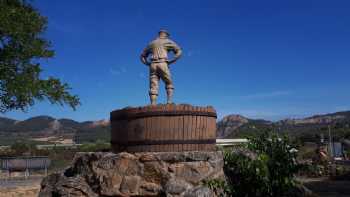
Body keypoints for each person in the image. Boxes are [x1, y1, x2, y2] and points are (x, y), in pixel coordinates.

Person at [140, 29, 182, 105]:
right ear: (165, 35)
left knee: (153, 84)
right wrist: (172, 60)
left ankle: (153, 104)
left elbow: (142, 56)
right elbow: (179, 51)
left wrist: (147, 63)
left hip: (152, 65)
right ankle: (169, 102)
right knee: (169, 82)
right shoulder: (167, 41)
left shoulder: (151, 43)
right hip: (163, 63)